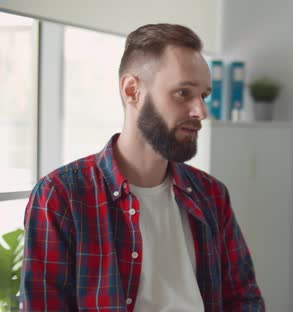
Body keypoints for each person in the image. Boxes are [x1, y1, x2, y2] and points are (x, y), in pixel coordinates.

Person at [20, 23, 265, 311]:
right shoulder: (61, 196)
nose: (201, 111)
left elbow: (244, 300)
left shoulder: (211, 194)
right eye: (183, 93)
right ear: (132, 90)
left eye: (204, 95)